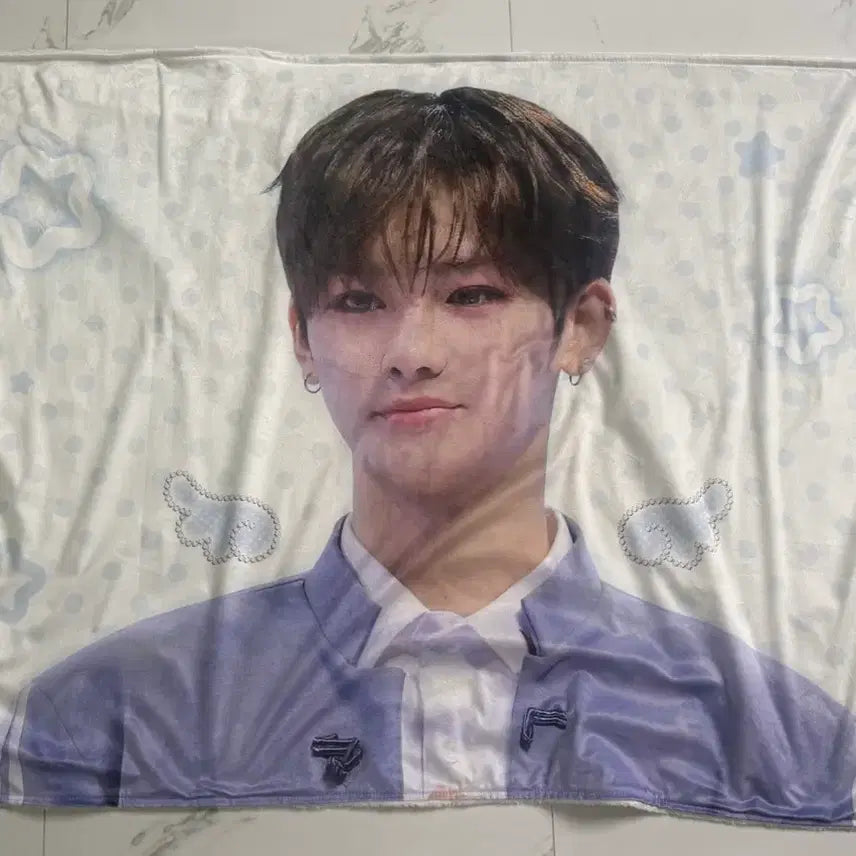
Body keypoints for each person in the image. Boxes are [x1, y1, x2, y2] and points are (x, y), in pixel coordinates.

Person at [2, 86, 856, 826]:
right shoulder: (109, 711)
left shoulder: (779, 734)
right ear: (302, 339)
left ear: (581, 327)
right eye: (358, 301)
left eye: (471, 294)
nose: (410, 352)